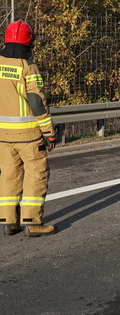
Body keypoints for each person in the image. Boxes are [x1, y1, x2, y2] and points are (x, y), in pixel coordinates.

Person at [0, 20, 57, 237]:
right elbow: (36, 103)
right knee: (36, 176)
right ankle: (33, 223)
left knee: (9, 175)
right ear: (29, 41)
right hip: (28, 135)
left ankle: (9, 222)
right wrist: (49, 132)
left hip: (2, 136)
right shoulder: (28, 67)